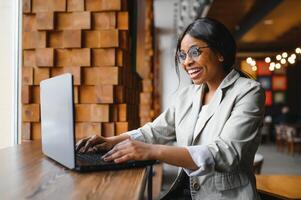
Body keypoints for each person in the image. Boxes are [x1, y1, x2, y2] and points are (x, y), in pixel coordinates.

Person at [76, 17, 265, 200]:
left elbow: (225, 154)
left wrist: (152, 151)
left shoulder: (248, 92)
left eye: (194, 51)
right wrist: (111, 141)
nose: (186, 62)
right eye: (182, 55)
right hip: (185, 192)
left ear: (220, 53)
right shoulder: (187, 95)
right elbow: (156, 130)